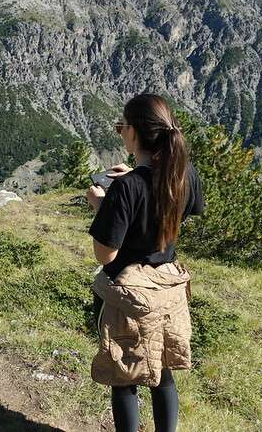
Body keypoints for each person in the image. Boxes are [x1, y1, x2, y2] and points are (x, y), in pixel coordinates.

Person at [85, 94, 205, 432]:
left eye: (121, 126)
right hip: (168, 288)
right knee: (162, 371)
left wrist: (103, 205)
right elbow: (190, 209)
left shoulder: (126, 188)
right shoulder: (184, 174)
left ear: (135, 132)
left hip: (131, 294)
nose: (119, 132)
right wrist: (138, 176)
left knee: (125, 375)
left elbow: (105, 254)